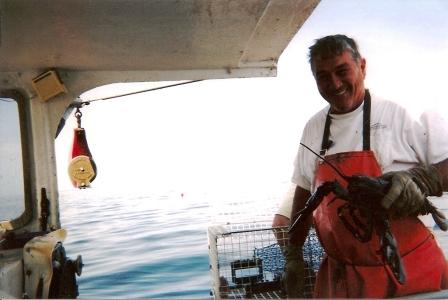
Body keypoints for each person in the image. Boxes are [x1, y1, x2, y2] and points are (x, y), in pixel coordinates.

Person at [283, 34, 448, 298]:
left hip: (411, 271)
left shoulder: (403, 110)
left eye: (342, 71)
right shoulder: (313, 127)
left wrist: (422, 180)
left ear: (362, 66)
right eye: (323, 76)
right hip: (342, 276)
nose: (334, 84)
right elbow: (305, 191)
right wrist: (293, 253)